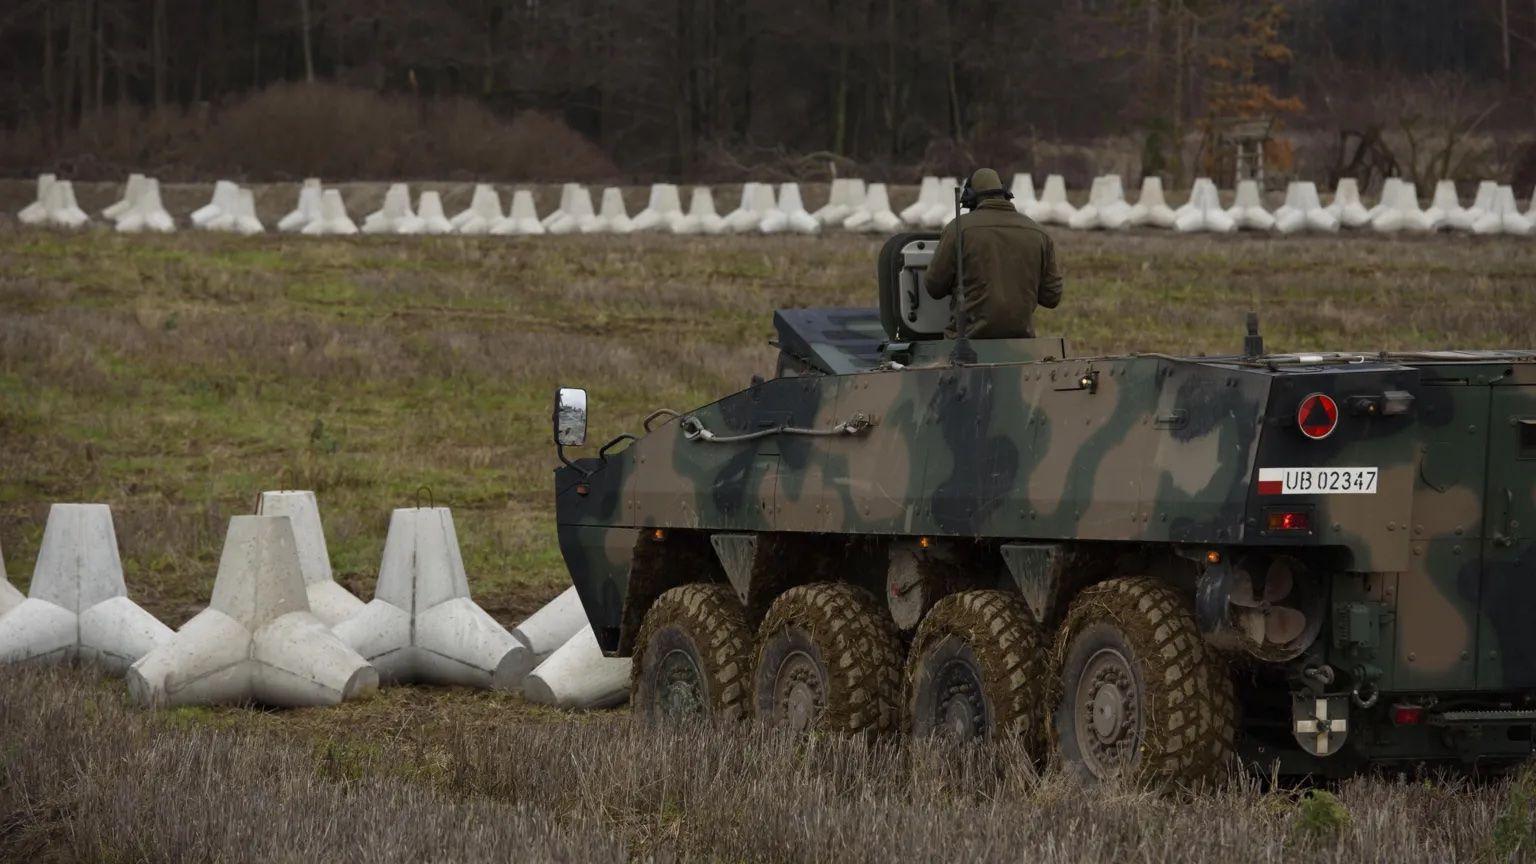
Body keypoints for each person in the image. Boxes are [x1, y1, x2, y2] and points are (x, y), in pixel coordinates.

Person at [923, 168, 1063, 339]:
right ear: (1005, 194)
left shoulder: (958, 229)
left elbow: (934, 287)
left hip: (965, 345)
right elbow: (1052, 297)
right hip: (1021, 346)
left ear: (970, 198)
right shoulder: (1038, 232)